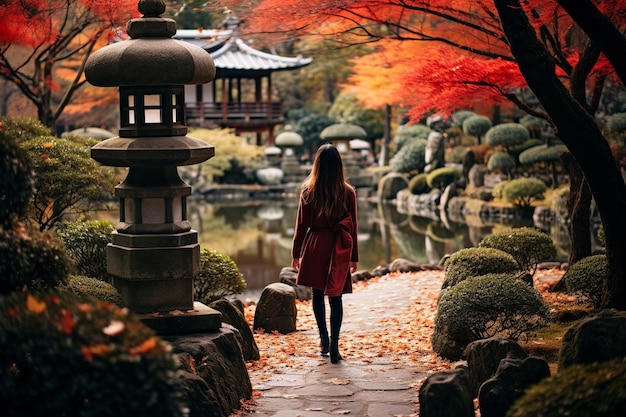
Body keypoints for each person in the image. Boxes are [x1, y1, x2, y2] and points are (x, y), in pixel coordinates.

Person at [291, 144, 359, 364]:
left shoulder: (308, 191)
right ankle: (336, 347)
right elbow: (353, 227)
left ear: (317, 165)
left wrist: (296, 253)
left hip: (315, 245)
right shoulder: (347, 192)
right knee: (336, 296)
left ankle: (324, 340)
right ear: (339, 165)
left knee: (318, 295)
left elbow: (301, 225)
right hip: (338, 247)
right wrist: (353, 256)